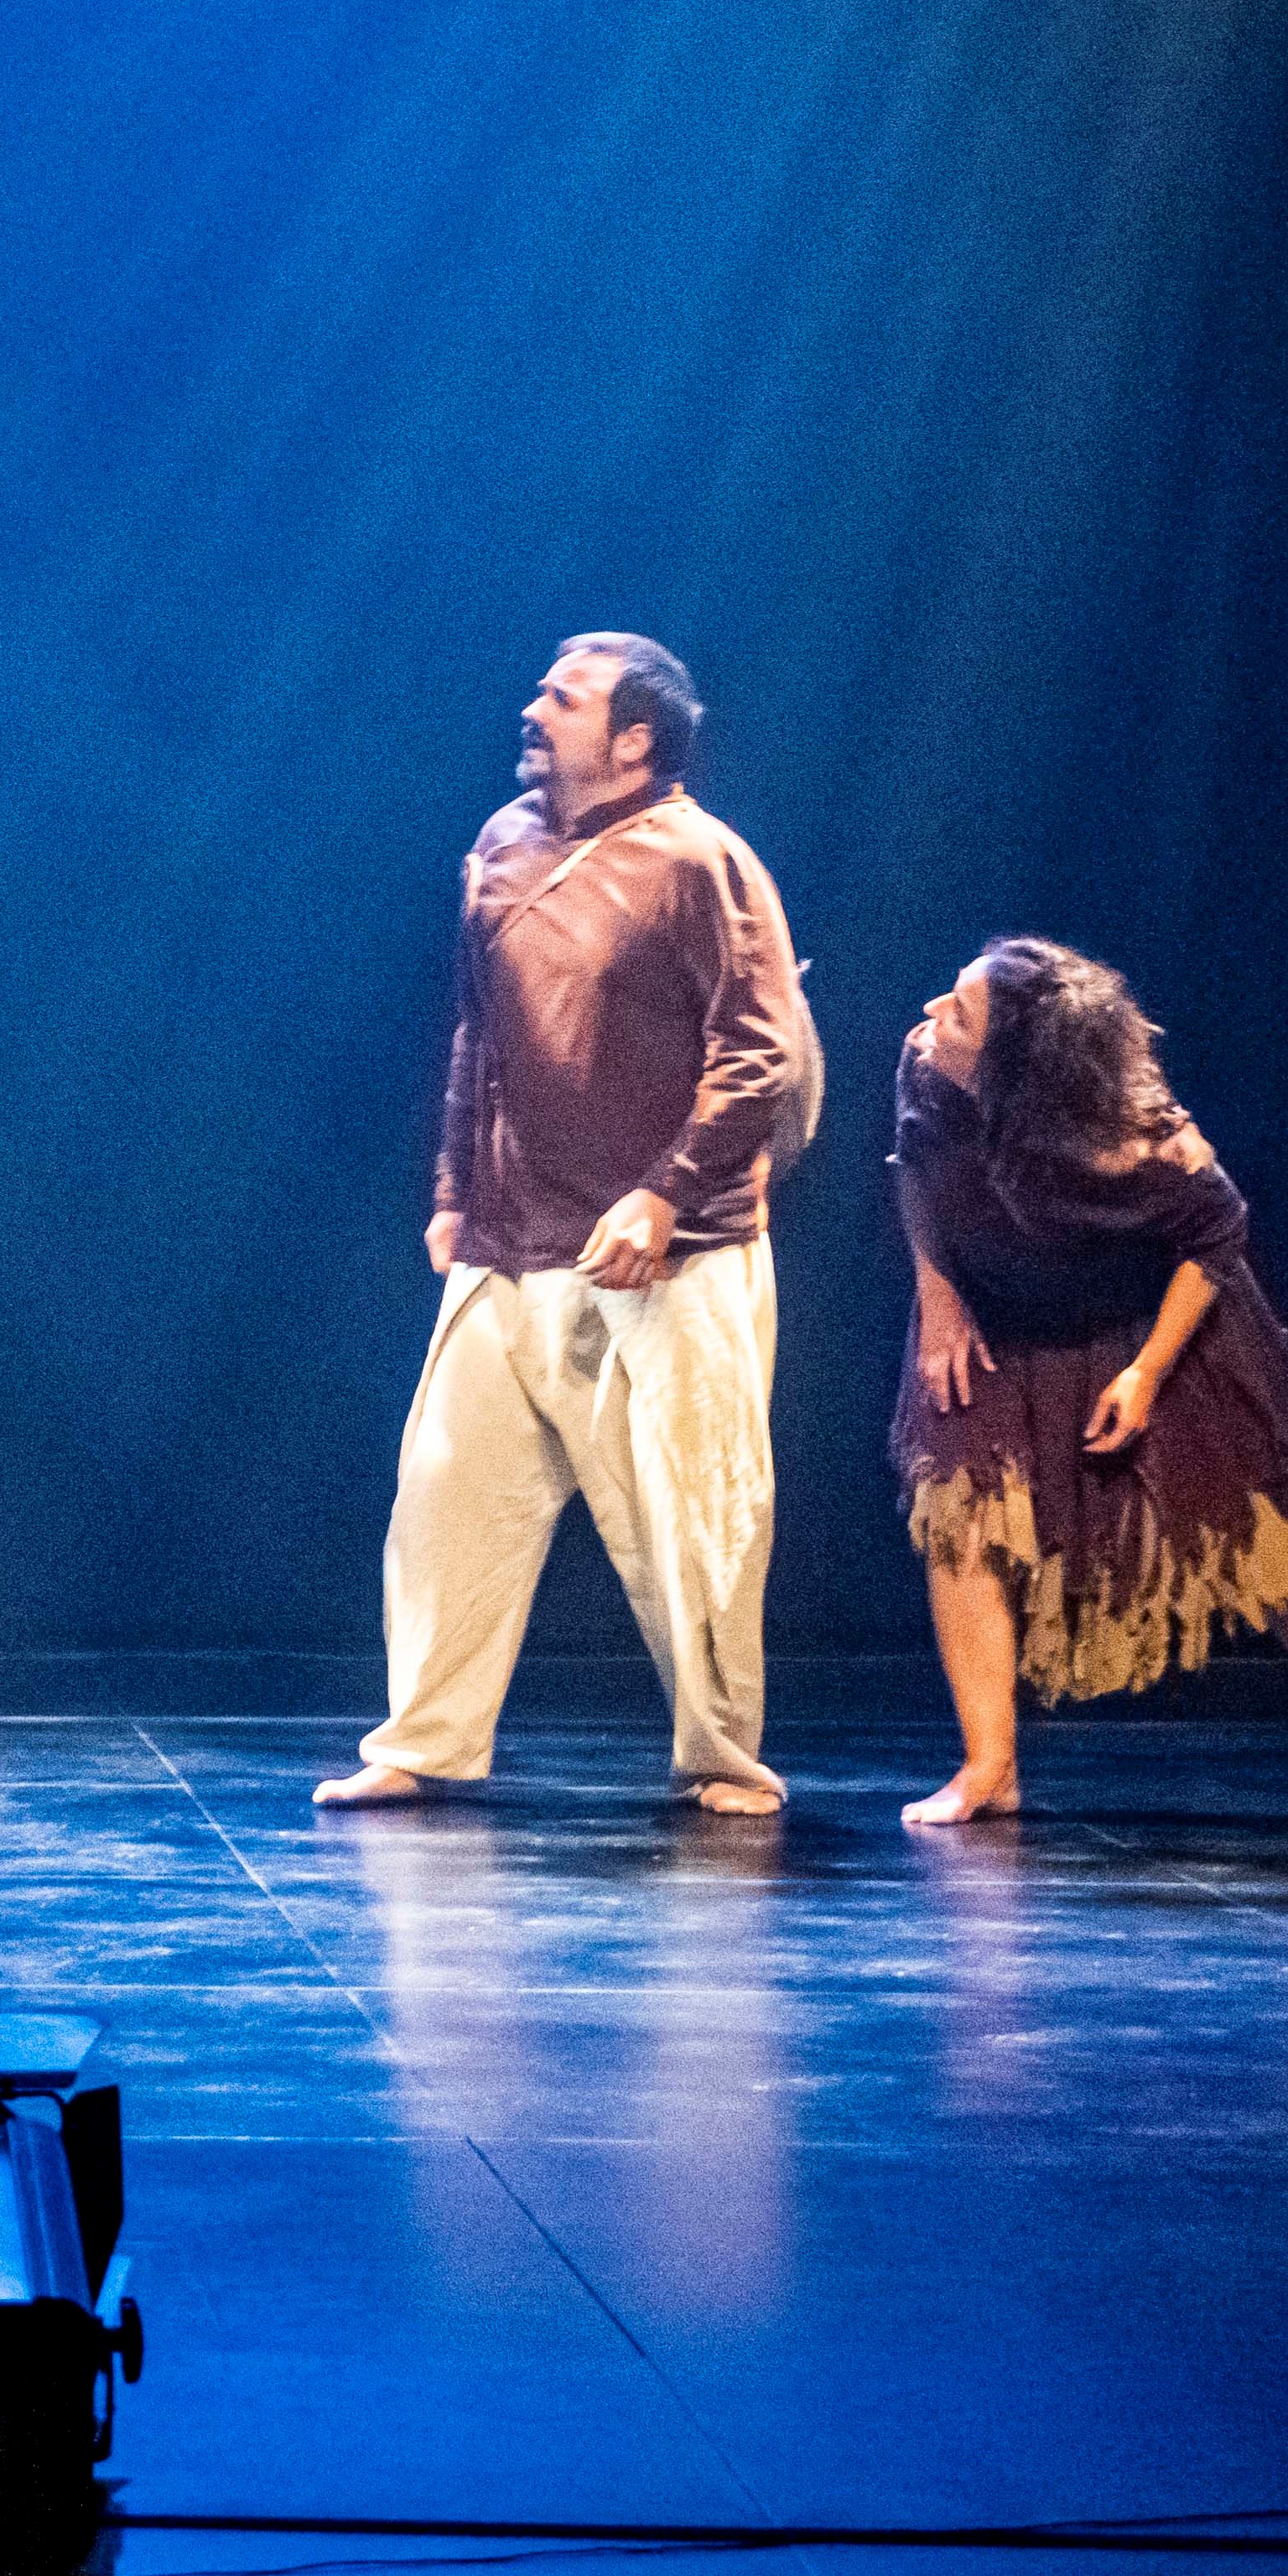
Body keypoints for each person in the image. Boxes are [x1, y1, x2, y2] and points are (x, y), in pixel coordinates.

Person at [325, 634, 814, 1818]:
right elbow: (476, 1034)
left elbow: (761, 1054)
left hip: (664, 1253)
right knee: (446, 1497)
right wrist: (452, 1187)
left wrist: (664, 1191)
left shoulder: (701, 862)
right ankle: (425, 1741)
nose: (532, 709)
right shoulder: (500, 844)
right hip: (506, 1241)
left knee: (692, 1517)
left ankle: (720, 1757)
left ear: (634, 738)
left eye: (564, 698)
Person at [891, 939, 1288, 1825]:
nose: (925, 1021)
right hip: (995, 1314)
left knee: (1270, 1558)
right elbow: (913, 1167)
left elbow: (1216, 1235)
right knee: (961, 1520)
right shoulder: (924, 1068)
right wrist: (938, 1294)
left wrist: (1145, 1373)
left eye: (956, 1015)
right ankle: (988, 1768)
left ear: (1018, 1069)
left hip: (1141, 1326)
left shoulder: (1135, 1143)